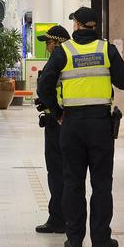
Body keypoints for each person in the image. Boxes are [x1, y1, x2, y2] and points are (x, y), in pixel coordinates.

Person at [36, 7, 124, 247]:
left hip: (72, 124)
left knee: (72, 182)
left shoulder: (64, 51)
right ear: (95, 26)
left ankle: (74, 238)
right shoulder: (106, 49)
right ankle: (100, 238)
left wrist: (57, 113)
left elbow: (44, 86)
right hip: (100, 124)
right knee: (101, 184)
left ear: (76, 25)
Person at [34, 24, 71, 234]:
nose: (47, 46)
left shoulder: (58, 58)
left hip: (57, 123)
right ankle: (69, 216)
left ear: (57, 43)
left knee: (56, 172)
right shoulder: (74, 59)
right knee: (69, 173)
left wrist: (55, 111)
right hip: (74, 121)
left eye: (48, 42)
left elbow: (44, 86)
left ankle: (58, 218)